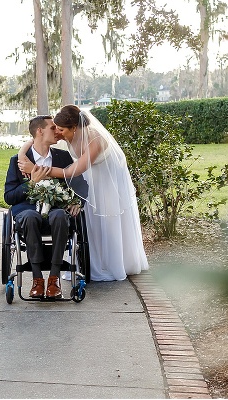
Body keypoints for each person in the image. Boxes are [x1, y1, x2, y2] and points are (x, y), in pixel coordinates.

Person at [17, 105, 149, 281]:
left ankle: (114, 263)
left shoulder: (95, 139)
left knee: (107, 222)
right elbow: (36, 137)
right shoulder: (69, 132)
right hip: (87, 180)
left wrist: (36, 169)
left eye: (62, 129)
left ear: (74, 127)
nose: (59, 133)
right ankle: (89, 262)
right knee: (90, 223)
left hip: (106, 182)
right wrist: (21, 153)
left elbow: (72, 171)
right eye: (56, 128)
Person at [4, 115, 82, 298]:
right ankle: (37, 280)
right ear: (40, 131)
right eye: (52, 128)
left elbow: (80, 186)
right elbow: (9, 196)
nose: (57, 132)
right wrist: (31, 184)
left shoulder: (62, 157)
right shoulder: (18, 160)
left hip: (56, 209)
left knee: (61, 217)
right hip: (27, 211)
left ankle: (54, 279)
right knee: (31, 218)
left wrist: (77, 203)